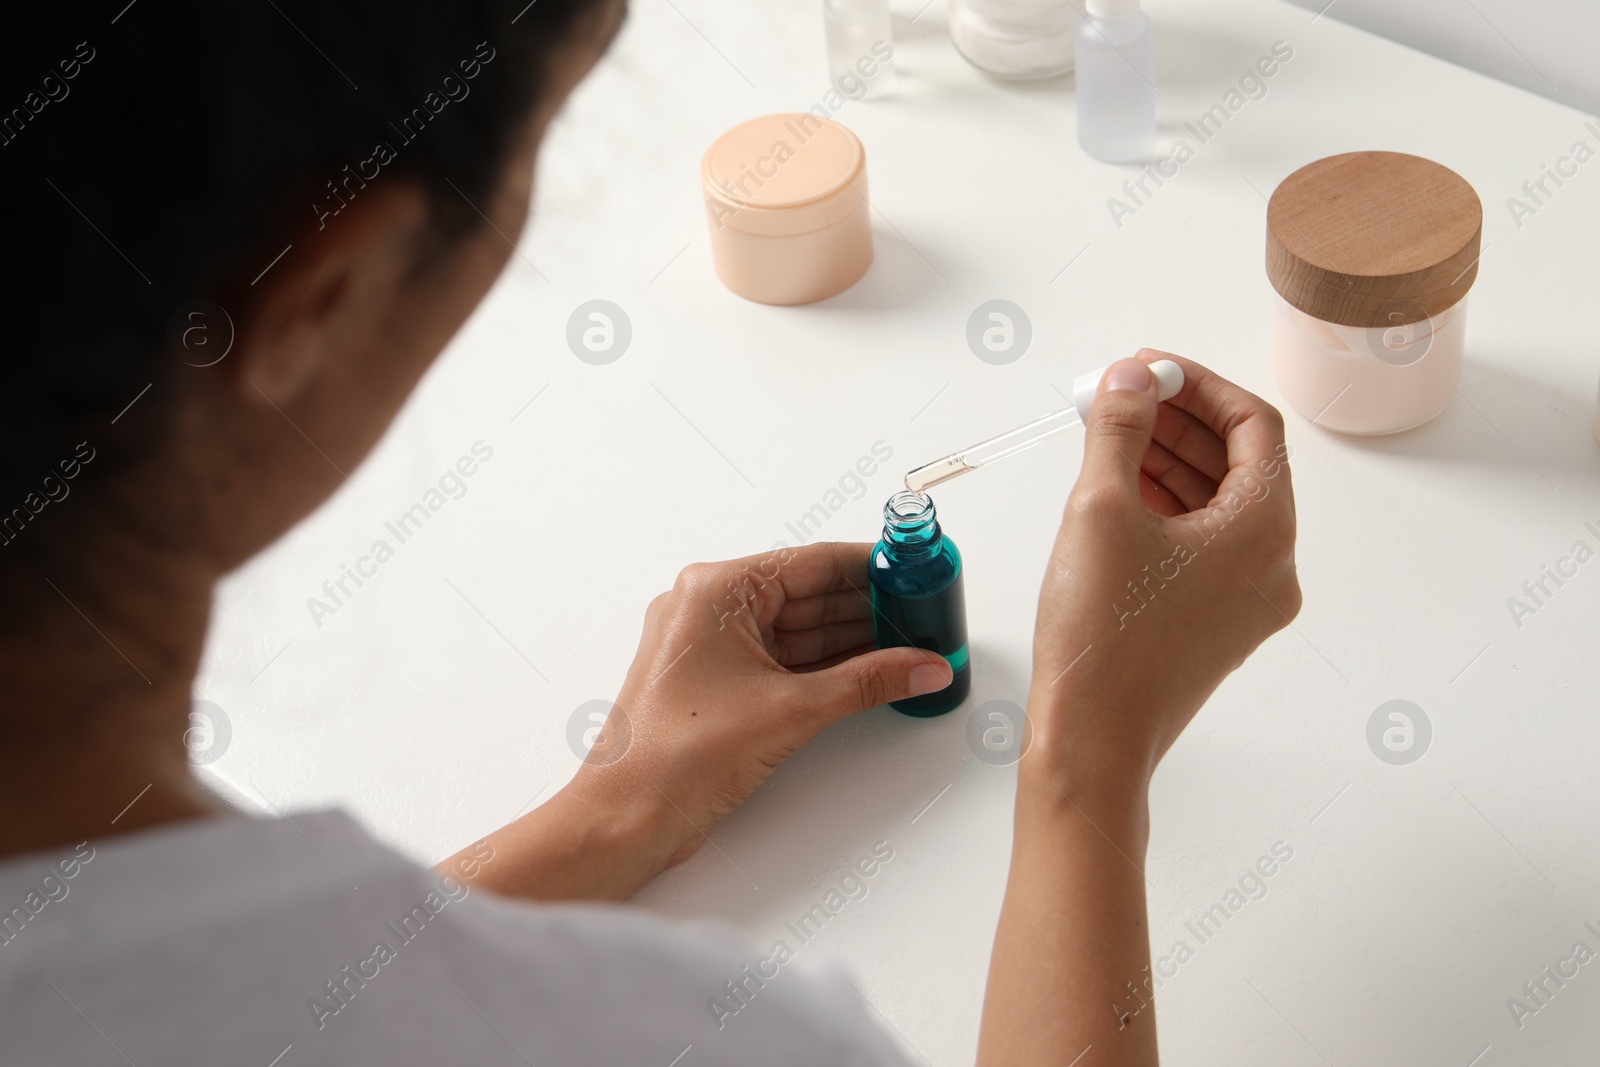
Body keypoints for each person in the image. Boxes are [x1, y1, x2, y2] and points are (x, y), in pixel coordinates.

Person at [0, 2, 1301, 1064]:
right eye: (547, 143)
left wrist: (618, 804)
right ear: (317, 298)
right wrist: (1090, 765)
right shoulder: (689, 1036)